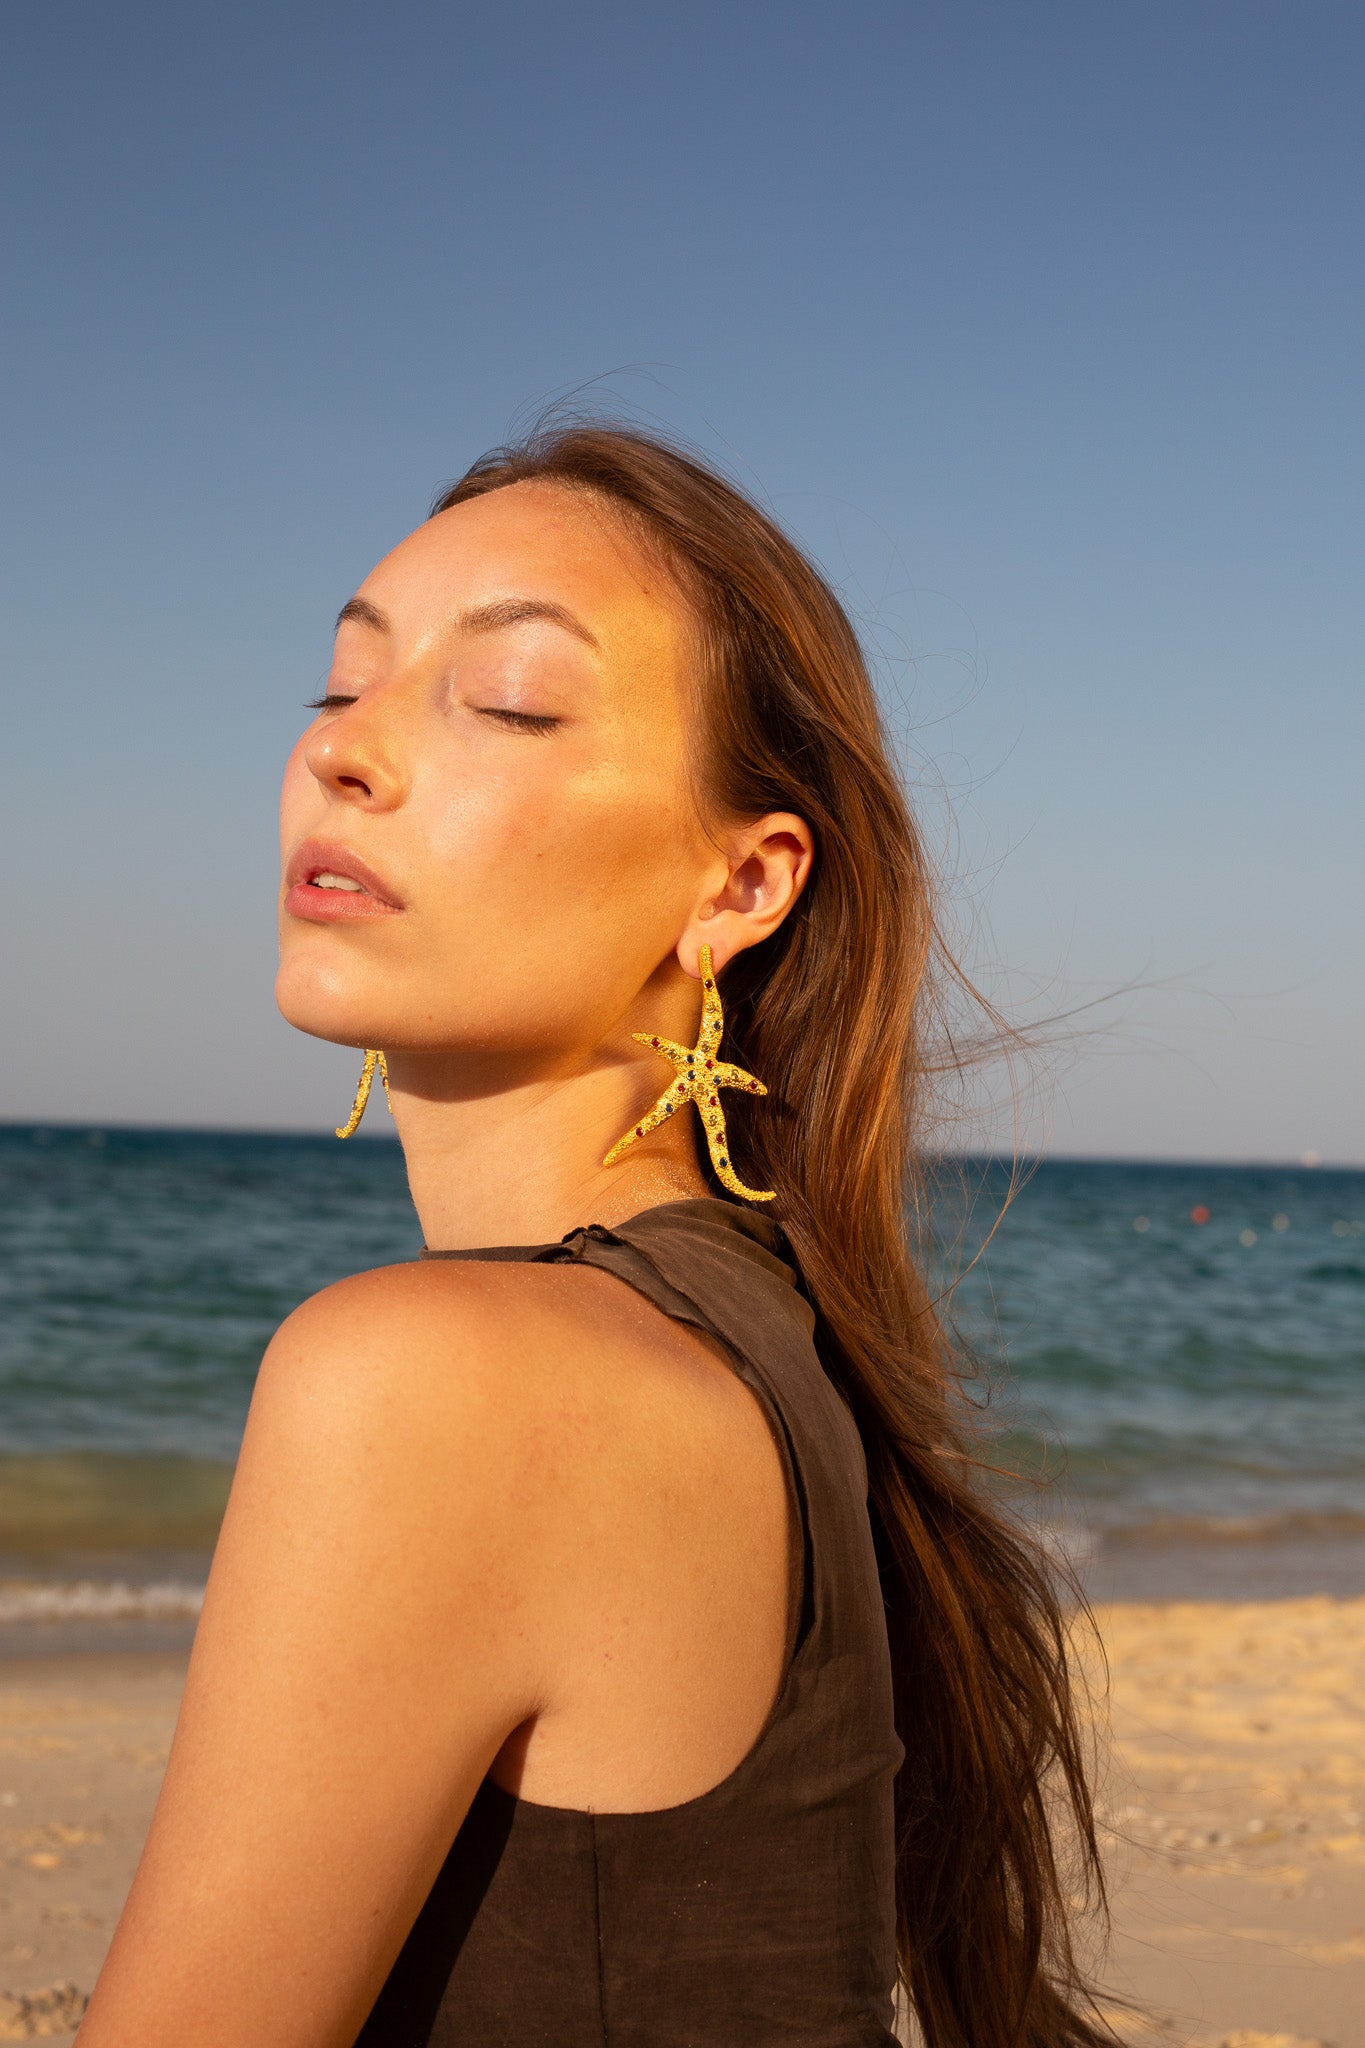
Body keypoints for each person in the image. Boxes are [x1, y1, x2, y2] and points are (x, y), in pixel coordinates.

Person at [77, 423, 1112, 2048]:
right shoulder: (760, 1328)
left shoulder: (446, 1382)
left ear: (738, 887)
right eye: (338, 688)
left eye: (504, 701)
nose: (345, 757)